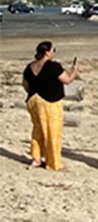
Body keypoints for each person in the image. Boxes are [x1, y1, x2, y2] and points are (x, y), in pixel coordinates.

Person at [21, 40, 81, 170]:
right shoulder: (53, 66)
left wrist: (32, 92)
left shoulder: (30, 66)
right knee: (53, 132)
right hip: (49, 102)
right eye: (53, 50)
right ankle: (53, 162)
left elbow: (25, 84)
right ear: (47, 52)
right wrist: (74, 71)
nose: (54, 52)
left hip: (33, 99)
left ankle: (36, 158)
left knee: (37, 130)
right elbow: (67, 80)